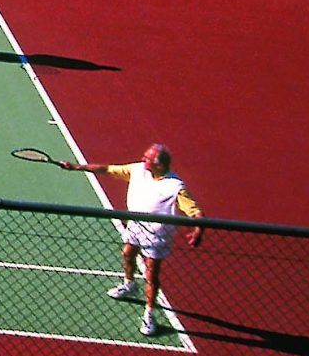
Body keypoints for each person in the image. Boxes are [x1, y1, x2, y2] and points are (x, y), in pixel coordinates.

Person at [59, 143, 204, 337]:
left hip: (157, 235)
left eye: (148, 159)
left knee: (152, 275)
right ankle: (129, 284)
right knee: (127, 254)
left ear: (159, 165)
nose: (143, 160)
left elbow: (195, 212)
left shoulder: (175, 187)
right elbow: (107, 169)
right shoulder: (138, 170)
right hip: (135, 225)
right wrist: (77, 167)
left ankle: (149, 314)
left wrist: (198, 230)